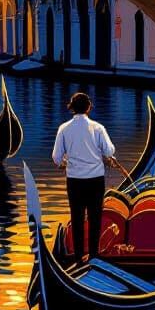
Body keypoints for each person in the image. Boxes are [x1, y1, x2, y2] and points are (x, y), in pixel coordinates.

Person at [52, 92, 116, 264]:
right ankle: (94, 256)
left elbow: (56, 158)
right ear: (89, 108)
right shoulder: (98, 128)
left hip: (74, 181)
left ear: (72, 108)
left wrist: (65, 163)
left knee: (77, 217)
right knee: (95, 218)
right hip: (95, 181)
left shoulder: (64, 129)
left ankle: (79, 258)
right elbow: (109, 151)